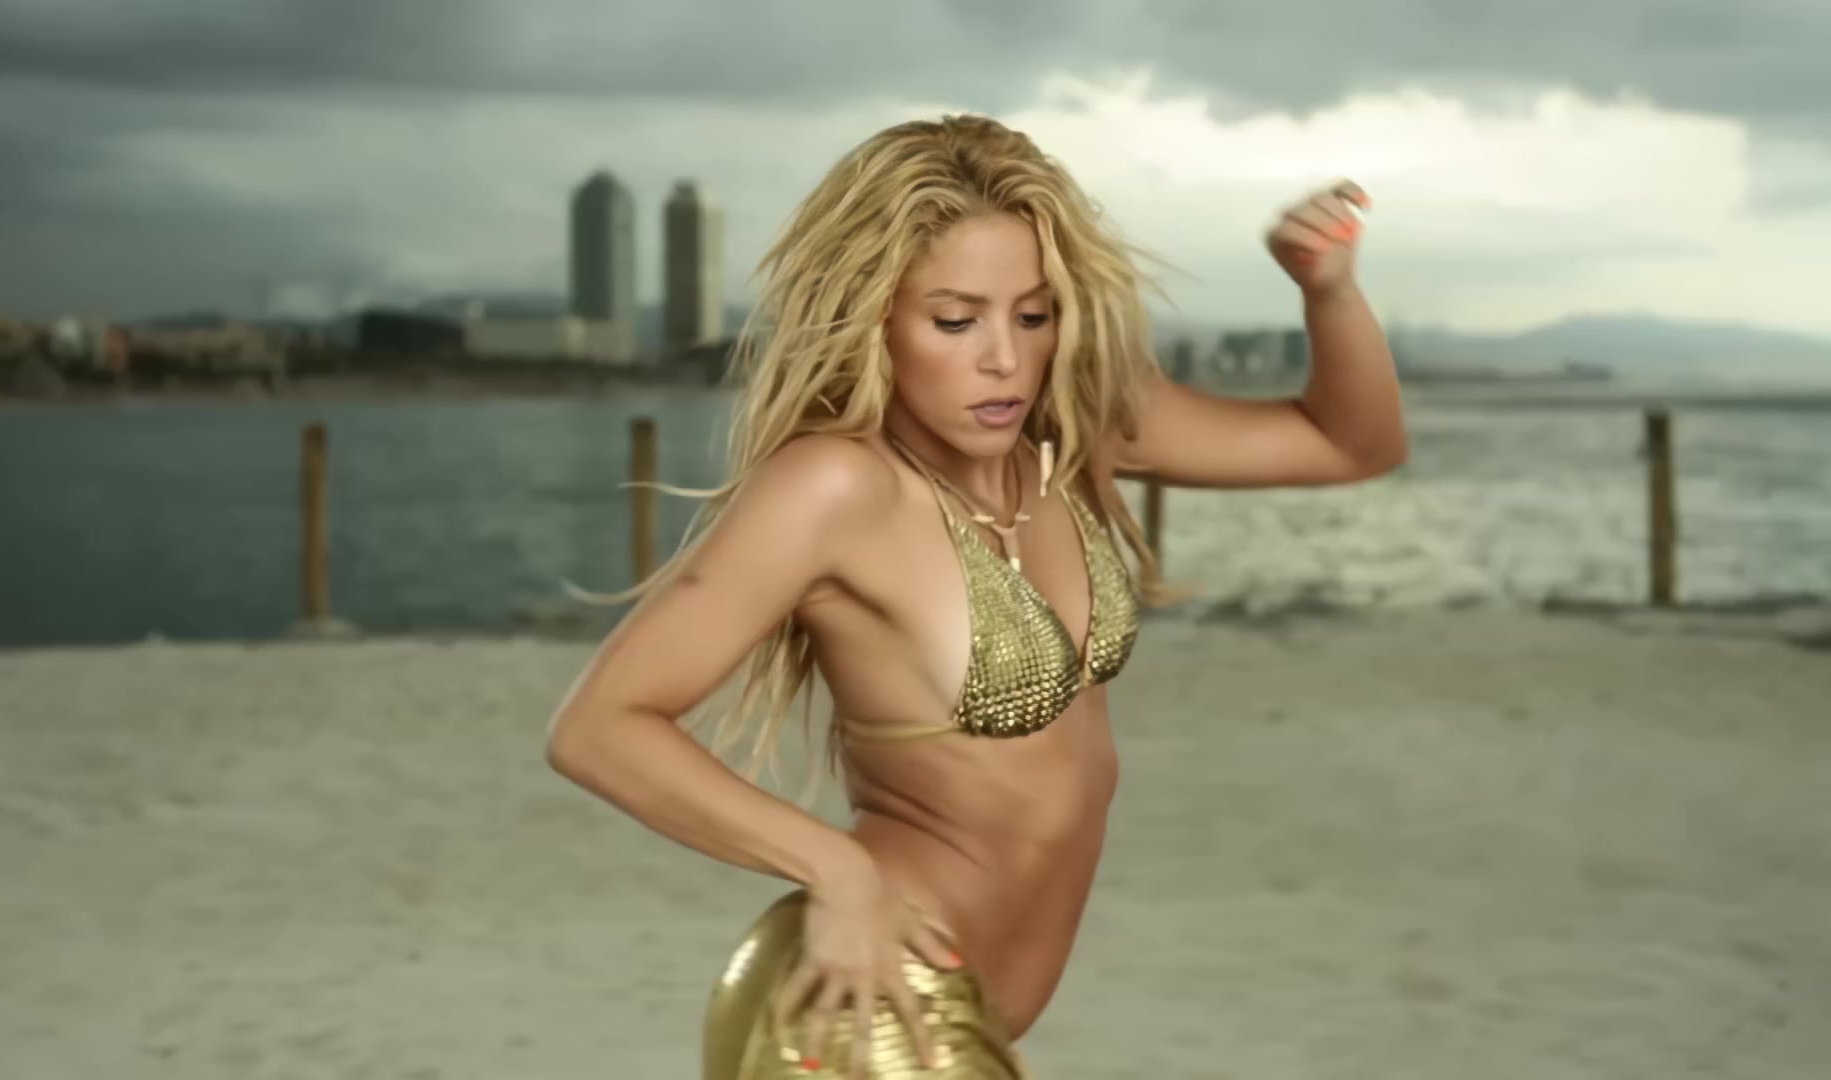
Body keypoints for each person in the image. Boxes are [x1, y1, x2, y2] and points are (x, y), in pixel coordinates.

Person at [545, 113, 1407, 1078]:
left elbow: (1350, 445)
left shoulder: (1071, 434)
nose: (1003, 359)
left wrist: (1328, 292)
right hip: (865, 1006)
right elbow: (599, 727)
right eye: (955, 321)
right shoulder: (836, 488)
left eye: (1032, 316)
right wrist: (837, 869)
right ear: (875, 318)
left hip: (979, 1011)